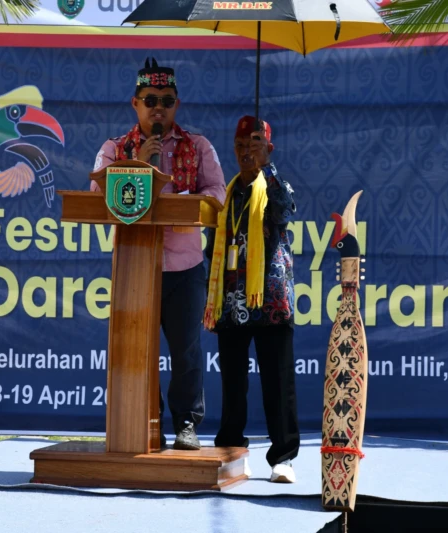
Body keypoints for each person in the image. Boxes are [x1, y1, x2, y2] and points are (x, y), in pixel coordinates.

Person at [91, 58, 226, 450]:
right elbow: (99, 199)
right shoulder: (115, 149)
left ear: (176, 105)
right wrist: (137, 164)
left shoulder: (197, 146)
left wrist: (193, 208)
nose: (158, 108)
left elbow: (217, 193)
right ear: (135, 104)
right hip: (136, 268)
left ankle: (186, 424)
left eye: (166, 100)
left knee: (186, 352)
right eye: (150, 100)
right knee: (135, 349)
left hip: (184, 267)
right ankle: (140, 423)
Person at [203, 116, 300, 483]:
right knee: (232, 384)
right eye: (241, 144)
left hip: (271, 301)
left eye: (256, 143)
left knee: (278, 382)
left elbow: (285, 209)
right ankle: (231, 451)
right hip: (232, 303)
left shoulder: (275, 184)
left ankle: (283, 458)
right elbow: (213, 245)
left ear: (268, 149)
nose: (247, 150)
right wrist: (211, 296)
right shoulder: (226, 194)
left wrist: (268, 169)